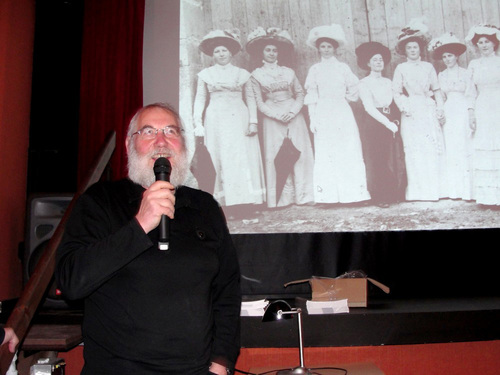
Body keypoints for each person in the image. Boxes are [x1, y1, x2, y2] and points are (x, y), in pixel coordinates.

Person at [55, 103, 241, 375]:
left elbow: (227, 290)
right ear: (130, 145)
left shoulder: (205, 207)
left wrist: (221, 362)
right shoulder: (99, 202)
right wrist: (140, 224)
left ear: (183, 144)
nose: (161, 141)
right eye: (149, 131)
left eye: (170, 131)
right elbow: (71, 281)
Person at [193, 28, 265, 218]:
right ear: (212, 54)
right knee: (220, 157)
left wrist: (253, 122)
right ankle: (224, 204)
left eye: (224, 50)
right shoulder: (206, 74)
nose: (221, 54)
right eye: (217, 51)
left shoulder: (242, 74)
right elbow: (200, 98)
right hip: (216, 120)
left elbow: (250, 99)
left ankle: (246, 202)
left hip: (238, 119)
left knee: (241, 158)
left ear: (231, 53)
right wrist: (197, 122)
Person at [246, 26, 314, 208]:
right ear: (262, 52)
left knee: (301, 151)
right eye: (268, 50)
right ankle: (282, 199)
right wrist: (275, 114)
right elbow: (258, 102)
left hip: (293, 112)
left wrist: (293, 111)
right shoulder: (256, 75)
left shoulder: (288, 72)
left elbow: (300, 93)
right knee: (275, 154)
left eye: (274, 50)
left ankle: (304, 195)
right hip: (272, 116)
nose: (271, 53)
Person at [304, 24, 370, 205]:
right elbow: (312, 96)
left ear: (335, 48)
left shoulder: (342, 68)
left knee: (347, 149)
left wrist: (344, 100)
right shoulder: (315, 70)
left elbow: (355, 89)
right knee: (327, 151)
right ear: (318, 49)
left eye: (329, 46)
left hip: (341, 112)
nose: (326, 50)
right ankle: (328, 197)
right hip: (323, 113)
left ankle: (353, 195)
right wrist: (313, 118)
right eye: (323, 46)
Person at [392, 18, 446, 201]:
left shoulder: (428, 67)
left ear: (420, 49)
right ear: (405, 51)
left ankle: (435, 190)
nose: (413, 50)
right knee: (415, 150)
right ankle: (418, 191)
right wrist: (405, 107)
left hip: (427, 108)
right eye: (409, 48)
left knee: (430, 147)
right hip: (411, 111)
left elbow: (437, 90)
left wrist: (439, 108)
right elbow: (397, 92)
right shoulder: (401, 68)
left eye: (415, 47)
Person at [355, 41, 407, 207]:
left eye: (380, 60)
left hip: (389, 120)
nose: (378, 62)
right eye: (374, 60)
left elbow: (394, 102)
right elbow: (369, 108)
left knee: (389, 158)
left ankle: (393, 194)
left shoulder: (387, 82)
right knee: (376, 159)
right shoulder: (364, 83)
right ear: (368, 63)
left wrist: (395, 120)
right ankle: (379, 197)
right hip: (374, 123)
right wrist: (387, 123)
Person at [428, 32, 474, 200]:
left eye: (450, 56)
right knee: (452, 147)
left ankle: (469, 190)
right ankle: (455, 190)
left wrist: (470, 111)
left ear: (456, 56)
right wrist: (440, 112)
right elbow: (442, 97)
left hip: (462, 109)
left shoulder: (466, 72)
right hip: (449, 111)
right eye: (445, 57)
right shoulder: (442, 75)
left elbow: (470, 93)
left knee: (465, 145)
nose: (447, 59)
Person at [465, 24, 500, 207]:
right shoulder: (474, 64)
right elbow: (471, 92)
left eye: (487, 41)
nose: (484, 45)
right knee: (485, 145)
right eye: (480, 42)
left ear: (494, 43)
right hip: (482, 107)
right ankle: (487, 198)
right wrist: (471, 113)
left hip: (498, 106)